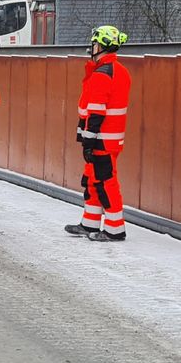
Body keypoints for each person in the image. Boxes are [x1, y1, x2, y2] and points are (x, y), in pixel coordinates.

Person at [65, 25, 131, 242]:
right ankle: (90, 223)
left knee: (105, 183)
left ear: (102, 46)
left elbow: (95, 111)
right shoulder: (118, 71)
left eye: (95, 44)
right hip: (107, 139)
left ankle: (114, 230)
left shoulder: (102, 73)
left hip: (101, 139)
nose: (92, 48)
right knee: (93, 181)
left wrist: (88, 140)